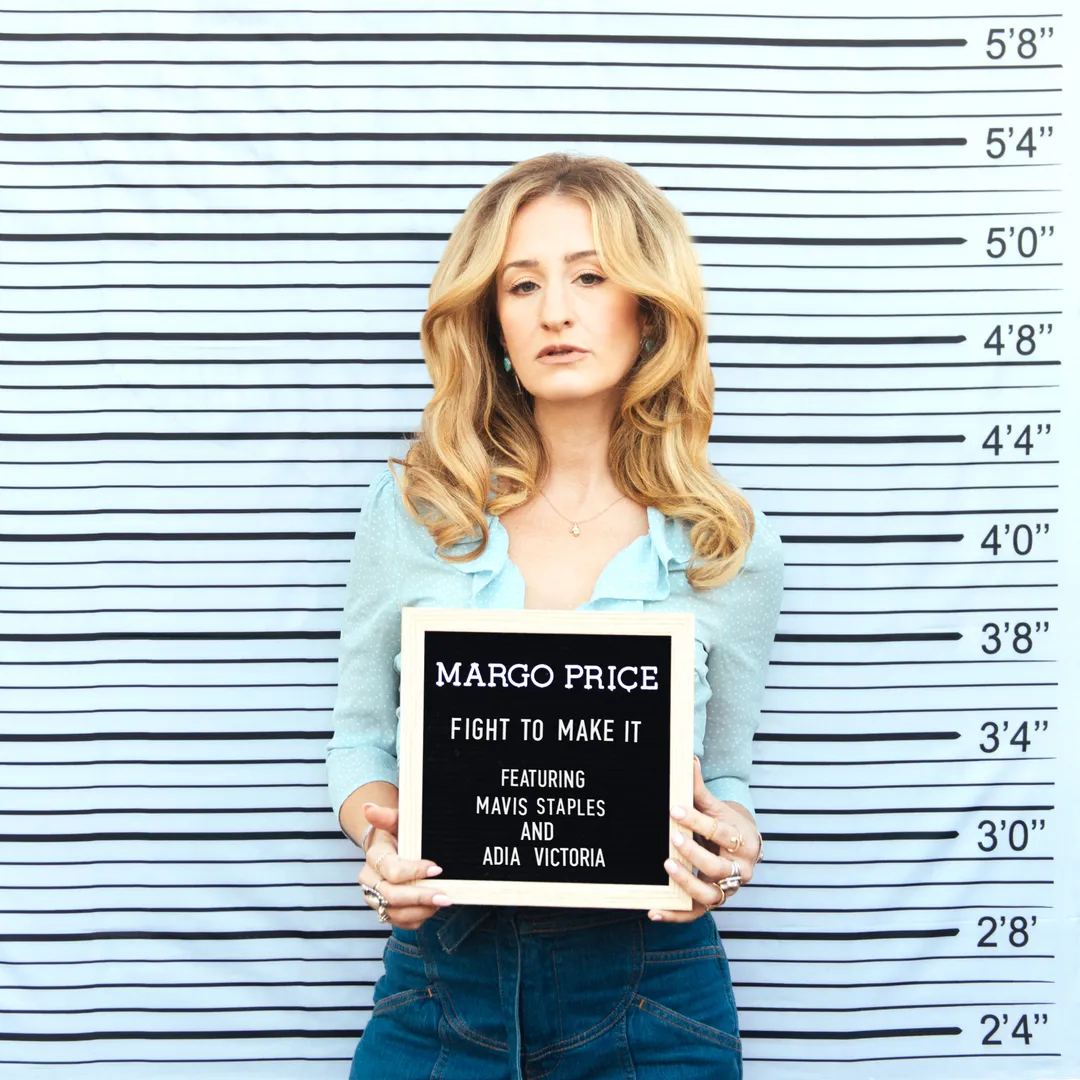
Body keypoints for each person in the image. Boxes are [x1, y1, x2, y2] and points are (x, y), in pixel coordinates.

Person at [326, 152, 784, 1079]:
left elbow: (726, 776)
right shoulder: (414, 513)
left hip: (654, 995)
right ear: (491, 319)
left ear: (648, 309)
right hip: (439, 986)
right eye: (522, 284)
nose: (555, 312)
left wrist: (731, 849)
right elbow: (361, 743)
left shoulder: (724, 541)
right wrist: (383, 845)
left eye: (590, 276)